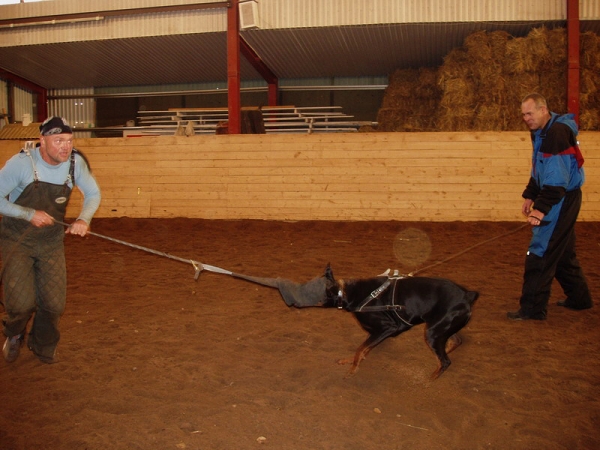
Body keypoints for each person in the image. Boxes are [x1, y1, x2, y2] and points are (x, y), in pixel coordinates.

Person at [0, 117, 101, 363]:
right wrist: (28, 214)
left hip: (51, 241)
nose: (65, 147)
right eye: (58, 141)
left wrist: (83, 219)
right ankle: (14, 334)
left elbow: (93, 193)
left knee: (54, 304)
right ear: (42, 141)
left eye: (68, 140)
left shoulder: (75, 163)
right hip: (16, 237)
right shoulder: (21, 164)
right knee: (21, 303)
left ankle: (42, 344)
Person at [507, 93, 592, 321]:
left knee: (540, 251)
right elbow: (540, 167)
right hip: (561, 196)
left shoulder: (555, 134)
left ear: (543, 110)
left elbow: (556, 179)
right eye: (524, 114)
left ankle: (533, 310)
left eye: (530, 113)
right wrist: (530, 195)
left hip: (560, 198)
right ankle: (579, 298)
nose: (526, 118)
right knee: (562, 250)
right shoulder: (543, 130)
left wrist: (540, 208)